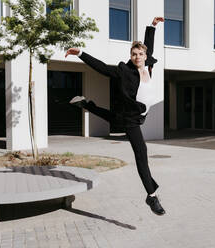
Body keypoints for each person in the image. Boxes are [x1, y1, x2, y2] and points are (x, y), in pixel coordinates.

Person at [65, 17, 165, 215]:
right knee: (141, 154)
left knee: (111, 118)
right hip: (131, 119)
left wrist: (152, 26)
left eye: (141, 54)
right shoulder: (125, 71)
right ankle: (151, 196)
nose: (138, 57)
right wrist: (81, 54)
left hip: (134, 115)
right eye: (134, 54)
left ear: (146, 56)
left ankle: (84, 104)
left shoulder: (148, 65)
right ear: (131, 55)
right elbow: (102, 68)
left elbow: (149, 45)